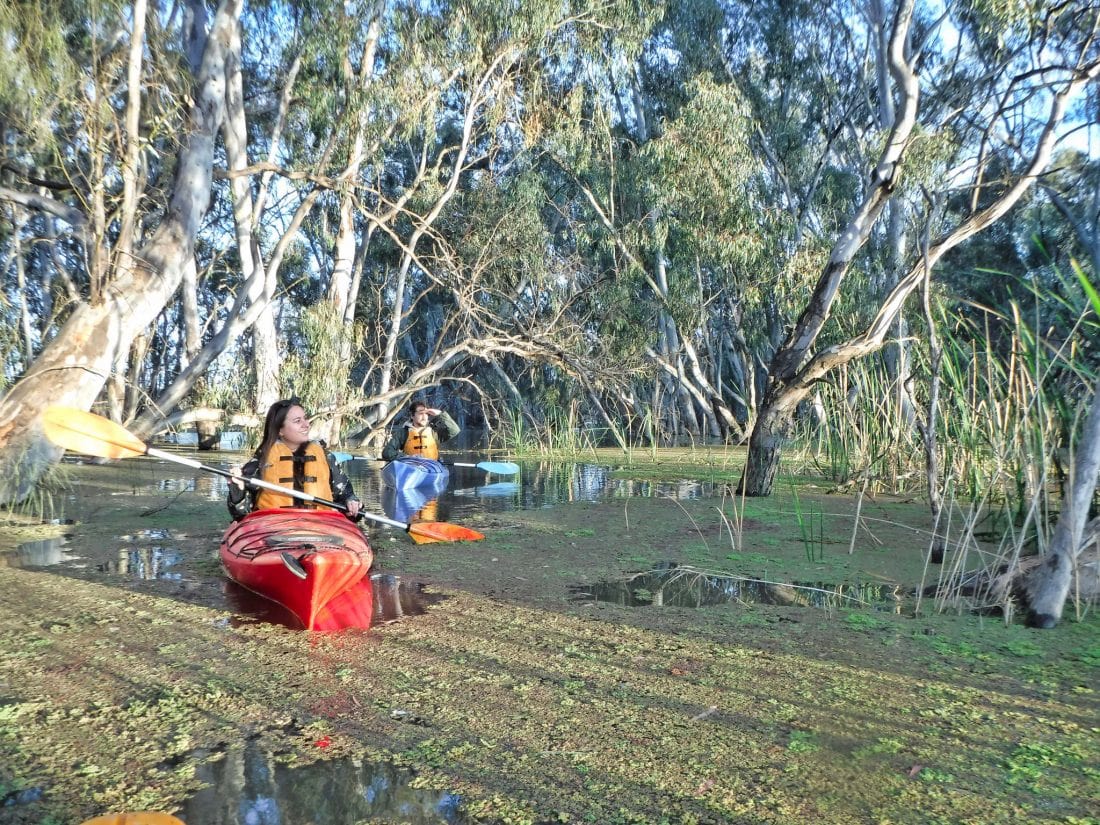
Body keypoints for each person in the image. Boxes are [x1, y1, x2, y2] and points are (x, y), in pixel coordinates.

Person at [227, 398, 361, 521]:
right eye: (298, 421)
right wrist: (237, 491)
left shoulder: (327, 458)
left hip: (320, 527)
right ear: (280, 430)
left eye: (305, 418)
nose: (306, 424)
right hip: (274, 529)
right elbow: (241, 514)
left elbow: (347, 498)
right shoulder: (261, 462)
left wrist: (352, 503)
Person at [380, 399, 460, 461]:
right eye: (421, 413)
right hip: (410, 466)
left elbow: (454, 430)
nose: (424, 417)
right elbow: (386, 452)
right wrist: (406, 457)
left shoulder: (434, 432)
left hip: (431, 467)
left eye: (426, 414)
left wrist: (440, 414)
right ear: (412, 416)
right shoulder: (403, 433)